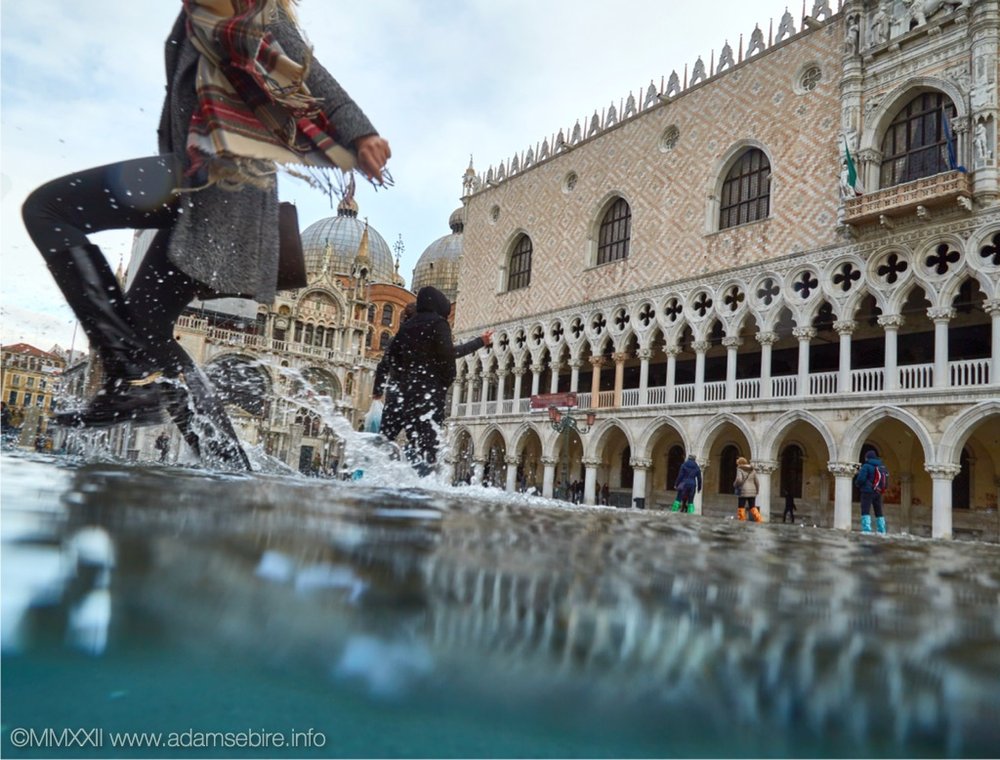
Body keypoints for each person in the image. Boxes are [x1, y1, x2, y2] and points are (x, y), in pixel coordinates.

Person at [21, 0, 391, 472]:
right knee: (149, 331)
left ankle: (128, 374)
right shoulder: (203, 12)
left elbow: (308, 74)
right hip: (204, 188)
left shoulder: (246, 8)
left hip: (215, 183)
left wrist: (361, 135)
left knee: (48, 208)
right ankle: (228, 466)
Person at [378, 286, 486, 473]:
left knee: (384, 443)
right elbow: (448, 356)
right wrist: (444, 384)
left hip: (400, 395)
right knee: (425, 449)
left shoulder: (405, 328)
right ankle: (418, 489)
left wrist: (378, 390)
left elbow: (387, 361)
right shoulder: (438, 324)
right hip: (427, 396)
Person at [854, 450, 888, 534]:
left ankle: (866, 530)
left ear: (867, 458)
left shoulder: (866, 466)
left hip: (867, 491)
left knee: (865, 509)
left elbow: (861, 479)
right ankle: (881, 530)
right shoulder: (882, 467)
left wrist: (857, 484)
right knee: (878, 510)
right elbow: (885, 482)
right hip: (878, 491)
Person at [734, 456, 762, 522]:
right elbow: (757, 482)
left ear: (740, 463)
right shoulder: (753, 470)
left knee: (741, 507)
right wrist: (757, 490)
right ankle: (759, 519)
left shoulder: (739, 469)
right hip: (752, 491)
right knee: (753, 507)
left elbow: (739, 479)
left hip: (743, 491)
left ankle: (742, 520)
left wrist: (735, 484)